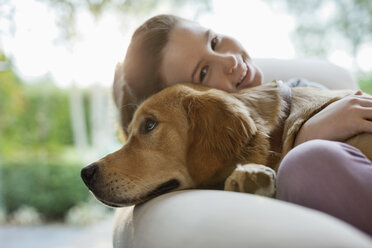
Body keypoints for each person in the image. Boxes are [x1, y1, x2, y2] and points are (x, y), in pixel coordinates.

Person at [113, 14, 372, 235]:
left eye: (213, 41)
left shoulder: (299, 91)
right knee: (304, 164)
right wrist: (307, 136)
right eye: (203, 72)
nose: (229, 61)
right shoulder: (215, 166)